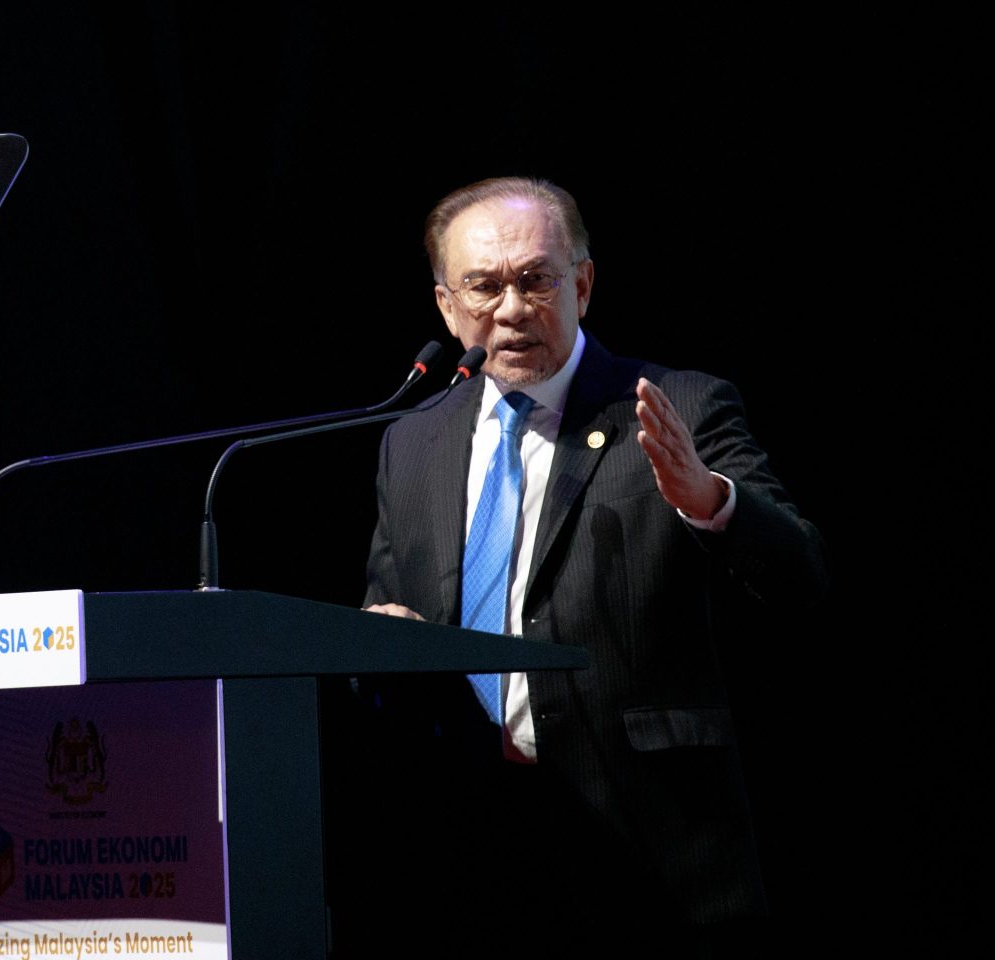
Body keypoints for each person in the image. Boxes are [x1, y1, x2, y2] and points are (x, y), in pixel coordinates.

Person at [338, 176, 828, 956]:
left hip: (651, 844)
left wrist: (709, 499)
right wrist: (378, 639)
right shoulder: (413, 441)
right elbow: (387, 611)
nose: (511, 309)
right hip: (467, 850)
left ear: (584, 284)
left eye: (537, 279)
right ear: (445, 306)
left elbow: (801, 579)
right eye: (484, 286)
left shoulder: (678, 406)